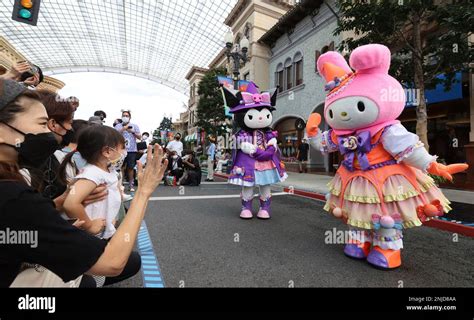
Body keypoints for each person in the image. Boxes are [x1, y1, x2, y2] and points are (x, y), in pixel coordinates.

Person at [307, 44, 468, 269]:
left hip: (385, 178)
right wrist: (313, 133)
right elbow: (324, 145)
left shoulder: (387, 130)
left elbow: (408, 148)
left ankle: (387, 249)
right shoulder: (339, 133)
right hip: (354, 176)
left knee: (386, 216)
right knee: (358, 211)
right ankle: (359, 241)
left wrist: (432, 165)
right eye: (334, 112)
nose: (342, 115)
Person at [0, 78, 169, 287]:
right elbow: (112, 263)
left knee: (87, 279)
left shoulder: (15, 186)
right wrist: (144, 191)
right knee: (89, 277)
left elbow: (26, 225)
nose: (49, 133)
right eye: (43, 124)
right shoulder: (12, 196)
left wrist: (59, 205)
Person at [222, 82, 286, 220]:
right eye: (252, 115)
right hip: (248, 163)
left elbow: (272, 142)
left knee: (265, 185)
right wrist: (251, 149)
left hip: (266, 163)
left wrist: (271, 147)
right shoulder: (241, 134)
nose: (261, 118)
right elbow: (241, 145)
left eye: (265, 114)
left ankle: (265, 208)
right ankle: (246, 208)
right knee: (248, 185)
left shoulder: (269, 133)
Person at [114, 110, 141, 192]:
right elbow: (114, 135)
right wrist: (123, 129)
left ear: (130, 117)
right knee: (120, 167)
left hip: (132, 150)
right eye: (124, 115)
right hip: (120, 150)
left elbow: (140, 137)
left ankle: (131, 185)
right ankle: (120, 184)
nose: (125, 117)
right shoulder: (118, 126)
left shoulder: (135, 126)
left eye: (127, 116)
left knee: (130, 168)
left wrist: (132, 132)